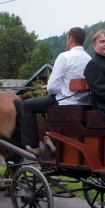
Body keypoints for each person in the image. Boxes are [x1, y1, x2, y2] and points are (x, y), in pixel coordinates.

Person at [21, 27, 91, 155]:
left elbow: (53, 87)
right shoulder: (89, 59)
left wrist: (48, 88)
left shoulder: (64, 57)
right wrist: (49, 87)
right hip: (84, 104)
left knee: (26, 105)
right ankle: (52, 139)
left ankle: (33, 145)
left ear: (70, 39)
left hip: (65, 103)